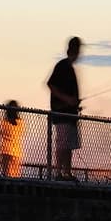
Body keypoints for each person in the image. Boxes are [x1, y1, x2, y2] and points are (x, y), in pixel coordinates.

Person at [46, 36, 81, 179]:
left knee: (69, 145)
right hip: (61, 114)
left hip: (71, 115)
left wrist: (75, 104)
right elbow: (51, 85)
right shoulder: (62, 66)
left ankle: (67, 172)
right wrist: (67, 99)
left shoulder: (70, 68)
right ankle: (58, 172)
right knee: (62, 143)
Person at [0, 100, 24, 177]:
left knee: (6, 174)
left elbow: (2, 132)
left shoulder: (3, 122)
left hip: (6, 149)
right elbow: (20, 132)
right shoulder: (20, 122)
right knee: (16, 175)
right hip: (16, 151)